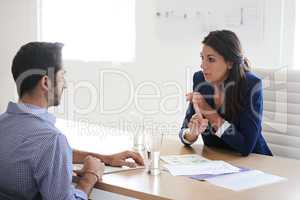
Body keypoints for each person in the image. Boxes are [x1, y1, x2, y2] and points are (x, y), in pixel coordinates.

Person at [0, 42, 144, 200]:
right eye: (62, 76)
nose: (66, 85)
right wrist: (90, 176)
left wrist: (106, 158)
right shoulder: (51, 139)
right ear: (46, 82)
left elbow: (39, 153)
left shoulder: (5, 124)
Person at [179, 30, 272, 156]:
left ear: (230, 62)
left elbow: (245, 146)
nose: (202, 65)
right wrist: (191, 134)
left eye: (211, 59)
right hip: (216, 161)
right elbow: (184, 129)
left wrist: (208, 111)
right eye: (202, 58)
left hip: (254, 163)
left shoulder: (250, 85)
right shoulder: (200, 80)